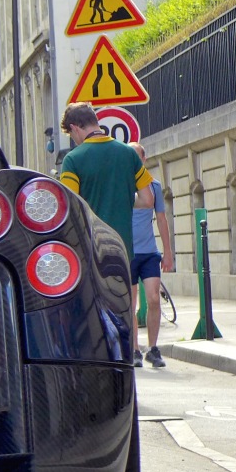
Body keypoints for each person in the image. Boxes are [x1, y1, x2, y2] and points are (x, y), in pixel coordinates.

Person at [58, 102, 154, 263]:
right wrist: (122, 199)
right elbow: (147, 200)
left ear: (74, 128)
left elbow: (71, 207)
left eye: (71, 135)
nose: (74, 140)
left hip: (89, 248)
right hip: (122, 247)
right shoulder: (129, 153)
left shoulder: (73, 159)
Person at [130, 142, 175, 368]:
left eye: (137, 158)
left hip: (148, 252)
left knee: (154, 299)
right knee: (130, 304)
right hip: (127, 252)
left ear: (144, 159)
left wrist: (168, 253)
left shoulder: (154, 186)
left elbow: (161, 219)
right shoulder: (121, 185)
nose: (134, 163)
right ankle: (134, 350)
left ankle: (153, 349)